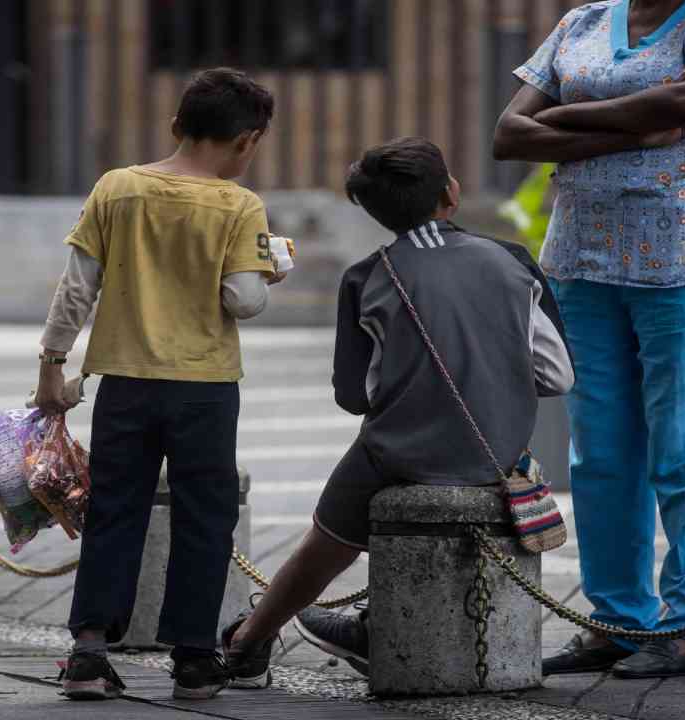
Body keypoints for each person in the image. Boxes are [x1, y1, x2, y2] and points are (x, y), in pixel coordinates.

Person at [220, 137, 575, 687]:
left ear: (375, 211)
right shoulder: (513, 261)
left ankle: (248, 642)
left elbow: (354, 396)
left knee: (324, 540)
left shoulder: (367, 276)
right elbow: (558, 376)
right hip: (498, 452)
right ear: (450, 193)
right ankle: (368, 624)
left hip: (397, 453)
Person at [493, 0, 685, 679]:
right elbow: (508, 133)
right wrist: (640, 126)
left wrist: (562, 119)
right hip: (583, 259)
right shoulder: (582, 23)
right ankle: (617, 622)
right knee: (601, 455)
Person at [33, 67, 285, 701]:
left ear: (176, 125)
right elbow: (243, 300)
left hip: (123, 379)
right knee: (206, 515)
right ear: (249, 141)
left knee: (114, 509)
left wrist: (52, 365)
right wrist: (272, 266)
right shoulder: (239, 204)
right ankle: (195, 658)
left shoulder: (117, 189)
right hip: (203, 386)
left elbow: (76, 288)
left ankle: (89, 652)